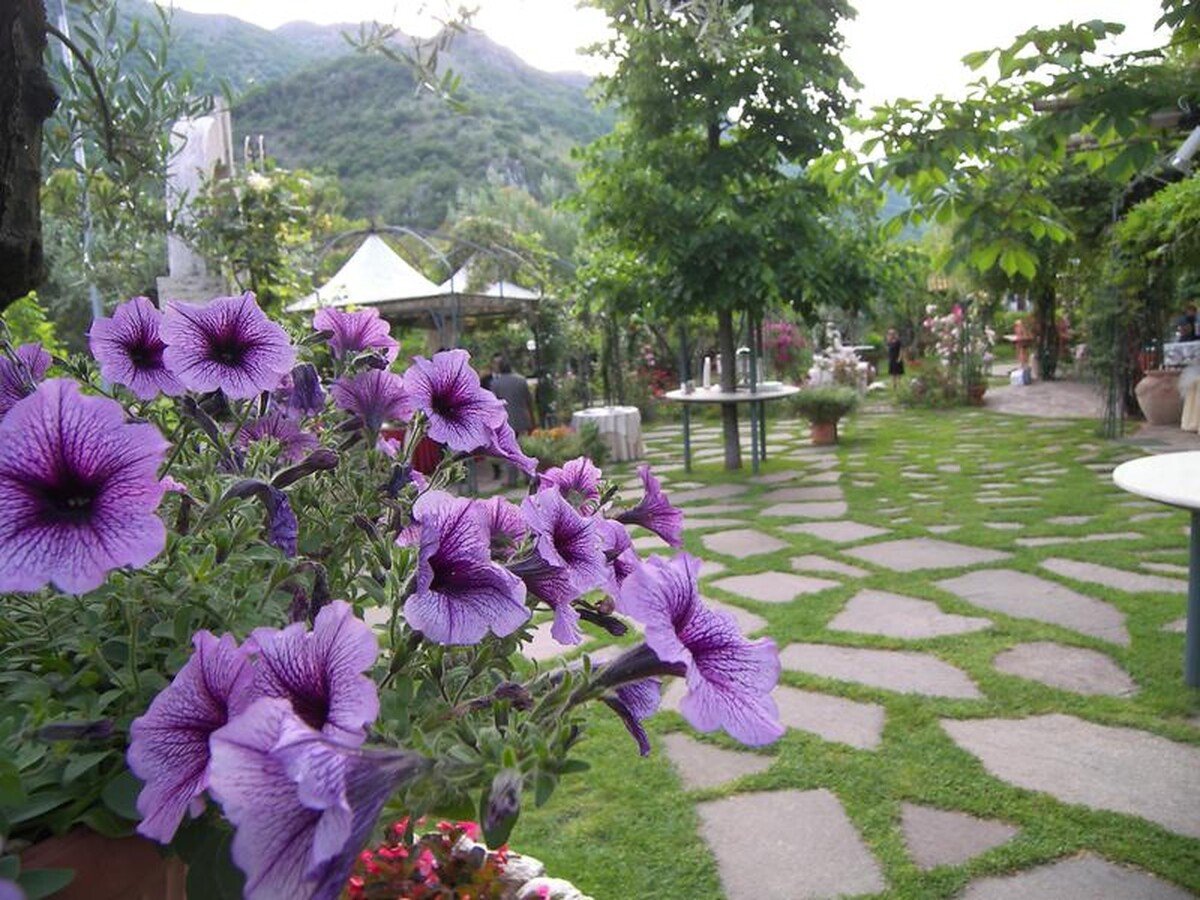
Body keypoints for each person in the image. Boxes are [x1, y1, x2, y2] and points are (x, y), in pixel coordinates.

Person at [488, 356, 536, 485]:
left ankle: (512, 479)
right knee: (523, 448)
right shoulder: (521, 380)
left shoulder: (496, 383)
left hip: (505, 421)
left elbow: (493, 404)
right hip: (522, 418)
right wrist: (533, 420)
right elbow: (529, 402)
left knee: (509, 450)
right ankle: (528, 475)